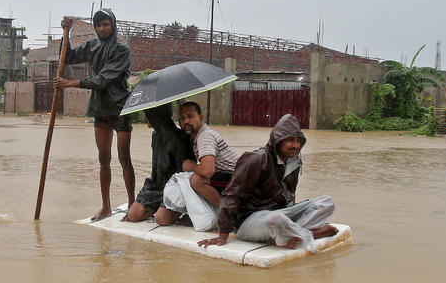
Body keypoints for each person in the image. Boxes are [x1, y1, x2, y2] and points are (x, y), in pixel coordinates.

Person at [197, 113, 338, 250]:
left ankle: (293, 235)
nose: (295, 145)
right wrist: (223, 233)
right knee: (276, 219)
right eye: (290, 140)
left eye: (298, 140)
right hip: (250, 221)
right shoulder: (255, 160)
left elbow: (289, 196)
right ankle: (308, 233)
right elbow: (232, 195)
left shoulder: (294, 162)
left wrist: (295, 216)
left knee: (326, 202)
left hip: (280, 213)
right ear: (278, 140)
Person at [54, 9, 135, 221]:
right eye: (99, 25)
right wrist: (67, 33)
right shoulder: (93, 45)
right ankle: (106, 207)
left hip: (120, 107)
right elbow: (69, 57)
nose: (102, 28)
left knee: (124, 157)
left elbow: (103, 79)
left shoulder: (122, 49)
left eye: (106, 24)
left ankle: (132, 204)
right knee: (103, 159)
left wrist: (71, 83)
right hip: (100, 108)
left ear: (113, 25)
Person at [160, 100, 241, 217]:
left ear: (200, 117)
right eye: (182, 118)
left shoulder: (204, 137)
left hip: (237, 178)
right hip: (232, 175)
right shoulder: (199, 135)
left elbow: (208, 171)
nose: (186, 121)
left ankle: (228, 215)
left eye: (190, 116)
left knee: (197, 180)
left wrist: (191, 165)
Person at [124, 105, 194, 222]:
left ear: (155, 117)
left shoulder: (180, 138)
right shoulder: (155, 136)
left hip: (174, 187)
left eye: (148, 116)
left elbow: (184, 175)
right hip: (156, 186)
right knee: (133, 215)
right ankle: (159, 208)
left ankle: (173, 211)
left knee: (161, 220)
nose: (147, 119)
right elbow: (155, 170)